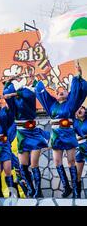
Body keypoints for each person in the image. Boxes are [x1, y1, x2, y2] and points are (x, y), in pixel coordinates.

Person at [35, 62, 87, 198]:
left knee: (71, 161)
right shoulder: (52, 104)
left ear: (67, 93)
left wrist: (77, 75)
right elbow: (41, 93)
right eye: (57, 92)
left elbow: (76, 92)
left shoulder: (71, 102)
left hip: (68, 133)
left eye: (62, 90)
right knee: (57, 162)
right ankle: (67, 187)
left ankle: (76, 190)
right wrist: (40, 78)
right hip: (56, 135)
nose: (59, 92)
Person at [3, 76, 50, 198]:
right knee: (23, 166)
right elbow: (6, 94)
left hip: (33, 133)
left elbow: (27, 94)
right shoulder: (14, 102)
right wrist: (9, 82)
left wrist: (14, 93)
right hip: (22, 134)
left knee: (34, 164)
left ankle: (38, 191)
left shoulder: (28, 94)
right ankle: (31, 189)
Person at [74, 106, 87, 198]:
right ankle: (77, 195)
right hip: (79, 149)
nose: (79, 109)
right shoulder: (74, 122)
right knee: (77, 174)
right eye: (77, 108)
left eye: (82, 108)